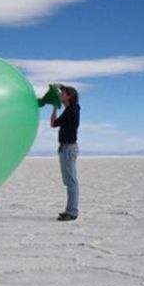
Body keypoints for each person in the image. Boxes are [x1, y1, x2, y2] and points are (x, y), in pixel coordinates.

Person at [50, 85, 80, 221]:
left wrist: (55, 107)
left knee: (71, 181)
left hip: (68, 148)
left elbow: (53, 123)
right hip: (65, 148)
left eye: (63, 94)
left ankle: (72, 211)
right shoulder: (70, 109)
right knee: (69, 180)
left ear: (69, 96)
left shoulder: (72, 110)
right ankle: (70, 209)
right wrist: (61, 87)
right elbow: (55, 124)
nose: (60, 96)